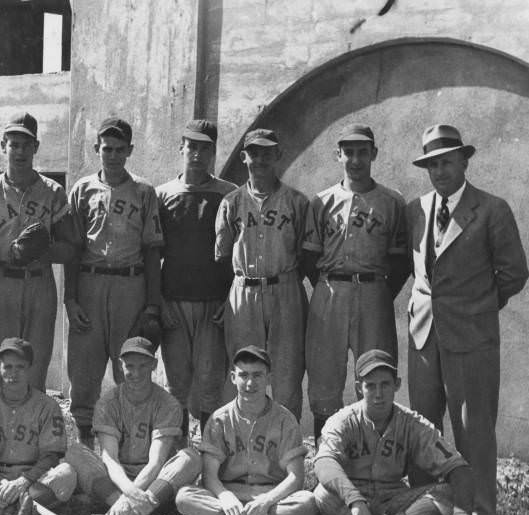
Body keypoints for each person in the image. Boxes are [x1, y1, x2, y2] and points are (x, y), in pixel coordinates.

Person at [405, 124, 527, 515]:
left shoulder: (492, 209)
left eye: (446, 162)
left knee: (473, 424)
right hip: (424, 331)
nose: (439, 171)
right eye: (432, 164)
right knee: (423, 423)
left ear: (464, 161)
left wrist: (477, 306)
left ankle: (480, 511)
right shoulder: (416, 209)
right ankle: (427, 503)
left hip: (472, 335)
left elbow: (514, 272)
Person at [302, 124, 410, 440]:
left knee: (376, 376)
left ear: (373, 154)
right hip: (330, 289)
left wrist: (380, 293)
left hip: (373, 290)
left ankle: (373, 459)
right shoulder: (321, 201)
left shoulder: (391, 201)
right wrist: (328, 285)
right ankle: (328, 457)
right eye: (349, 152)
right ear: (339, 155)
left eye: (363, 152)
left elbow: (401, 260)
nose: (356, 159)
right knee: (324, 378)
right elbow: (309, 257)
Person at [313, 349, 477, 515]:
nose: (378, 394)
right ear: (359, 388)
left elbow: (458, 467)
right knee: (322, 494)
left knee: (448, 493)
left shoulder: (412, 423)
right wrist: (355, 499)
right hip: (351, 499)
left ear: (397, 384)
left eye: (385, 384)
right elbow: (324, 463)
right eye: (370, 386)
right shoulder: (343, 420)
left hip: (393, 500)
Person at [64, 117, 164, 445]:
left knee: (130, 367)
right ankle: (84, 448)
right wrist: (71, 298)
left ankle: (130, 448)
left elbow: (152, 251)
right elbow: (73, 249)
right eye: (107, 148)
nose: (113, 155)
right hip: (91, 282)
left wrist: (151, 305)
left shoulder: (144, 192)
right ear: (97, 149)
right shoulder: (82, 189)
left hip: (129, 284)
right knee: (85, 370)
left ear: (130, 150)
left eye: (120, 149)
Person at [0, 113, 77, 392]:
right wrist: (5, 254)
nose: (19, 151)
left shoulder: (53, 192)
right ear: (3, 145)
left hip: (38, 283)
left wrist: (43, 250)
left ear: (36, 147)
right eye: (14, 144)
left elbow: (69, 248)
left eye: (26, 145)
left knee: (35, 367)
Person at [175, 346, 317, 515]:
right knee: (184, 498)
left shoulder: (285, 420)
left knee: (307, 504)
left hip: (271, 497)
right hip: (229, 495)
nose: (250, 383)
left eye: (257, 375)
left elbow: (296, 477)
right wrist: (225, 497)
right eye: (243, 375)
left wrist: (266, 501)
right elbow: (209, 476)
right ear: (233, 377)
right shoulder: (220, 419)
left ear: (268, 378)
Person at [60, 337, 200, 515]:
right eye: (129, 366)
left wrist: (130, 497)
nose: (136, 373)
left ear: (154, 364)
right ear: (120, 366)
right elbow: (110, 458)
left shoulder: (168, 404)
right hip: (117, 480)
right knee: (75, 452)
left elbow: (157, 461)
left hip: (154, 481)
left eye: (143, 366)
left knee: (191, 457)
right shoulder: (107, 402)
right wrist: (127, 492)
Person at [215, 128, 310, 420]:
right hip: (243, 290)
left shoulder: (296, 201)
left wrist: (294, 289)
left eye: (266, 152)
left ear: (278, 155)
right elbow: (221, 257)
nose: (260, 159)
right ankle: (242, 445)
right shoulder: (232, 202)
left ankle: (285, 450)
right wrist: (224, 298)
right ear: (244, 157)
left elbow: (308, 254)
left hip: (285, 287)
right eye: (254, 153)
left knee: (287, 374)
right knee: (244, 372)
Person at [156, 120, 237, 436]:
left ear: (214, 152)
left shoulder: (228, 194)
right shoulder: (162, 195)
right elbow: (153, 254)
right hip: (174, 303)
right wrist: (158, 300)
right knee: (176, 385)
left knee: (209, 384)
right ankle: (177, 458)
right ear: (181, 148)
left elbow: (238, 254)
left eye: (206, 148)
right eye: (192, 146)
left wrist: (229, 297)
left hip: (213, 305)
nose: (198, 154)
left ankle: (208, 459)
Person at [0, 337, 75, 515]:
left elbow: (51, 456)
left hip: (32, 479)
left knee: (67, 474)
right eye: (7, 367)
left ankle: (0, 511)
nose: (13, 374)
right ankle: (23, 511)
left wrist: (22, 482)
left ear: (30, 368)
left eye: (20, 367)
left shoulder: (48, 406)